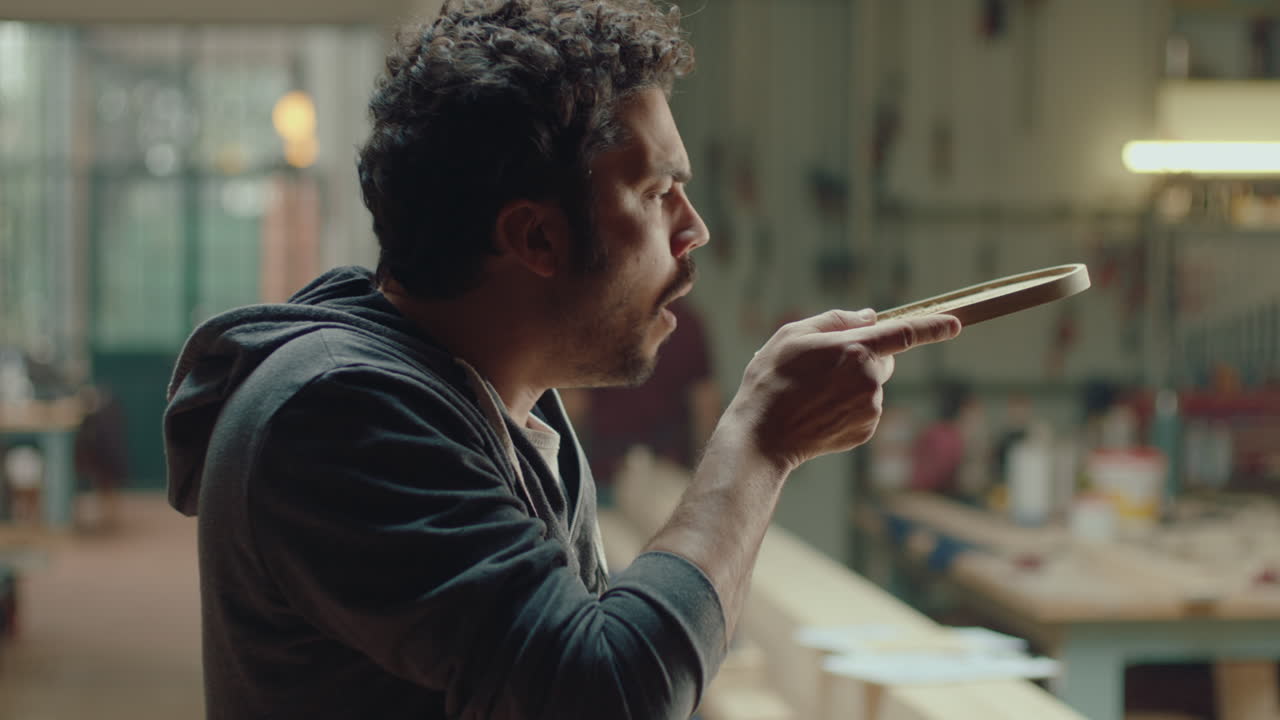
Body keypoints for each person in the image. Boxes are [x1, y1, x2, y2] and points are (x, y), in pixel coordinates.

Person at [162, 2, 961, 718]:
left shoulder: (510, 403)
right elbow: (607, 694)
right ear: (536, 236)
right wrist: (759, 441)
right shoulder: (334, 415)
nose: (696, 231)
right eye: (656, 194)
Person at [560, 296, 720, 502]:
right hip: (657, 472)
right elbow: (706, 408)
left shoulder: (602, 311)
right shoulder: (688, 322)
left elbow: (573, 405)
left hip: (606, 469)